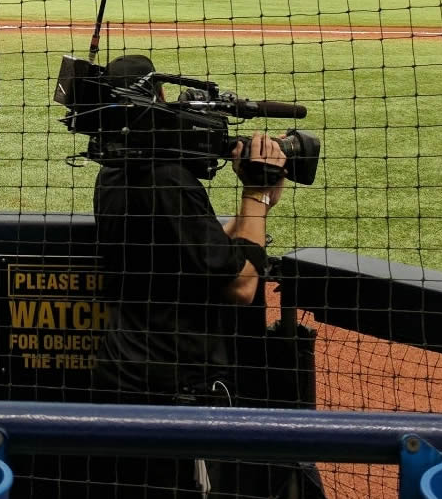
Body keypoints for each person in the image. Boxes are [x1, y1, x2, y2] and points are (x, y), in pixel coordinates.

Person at [89, 54, 311, 498]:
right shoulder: (168, 180)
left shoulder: (115, 170)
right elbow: (241, 287)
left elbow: (200, 253)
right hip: (170, 388)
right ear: (160, 96)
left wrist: (253, 209)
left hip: (123, 372)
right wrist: (256, 197)